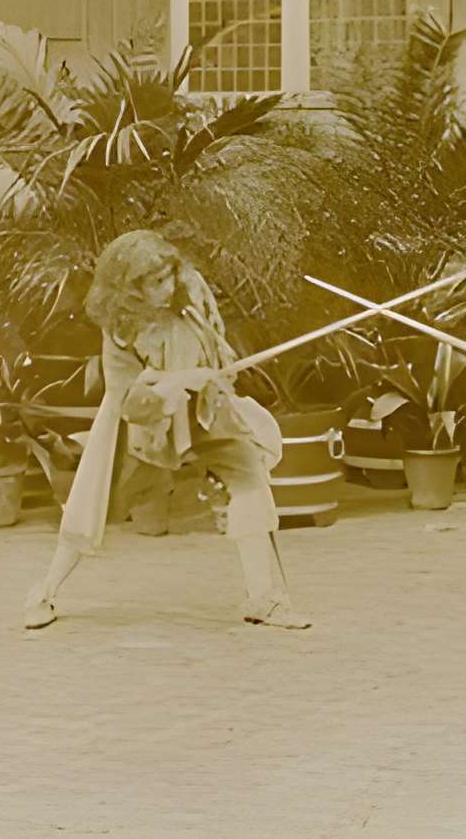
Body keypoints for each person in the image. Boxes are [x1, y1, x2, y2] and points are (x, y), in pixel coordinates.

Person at [22, 232, 310, 632]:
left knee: (252, 487)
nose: (167, 287)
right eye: (154, 282)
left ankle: (263, 598)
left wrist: (214, 372)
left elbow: (215, 342)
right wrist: (176, 382)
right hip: (145, 431)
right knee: (92, 505)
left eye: (167, 276)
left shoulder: (190, 292)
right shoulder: (121, 327)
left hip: (208, 412)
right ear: (129, 289)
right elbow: (128, 401)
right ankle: (44, 592)